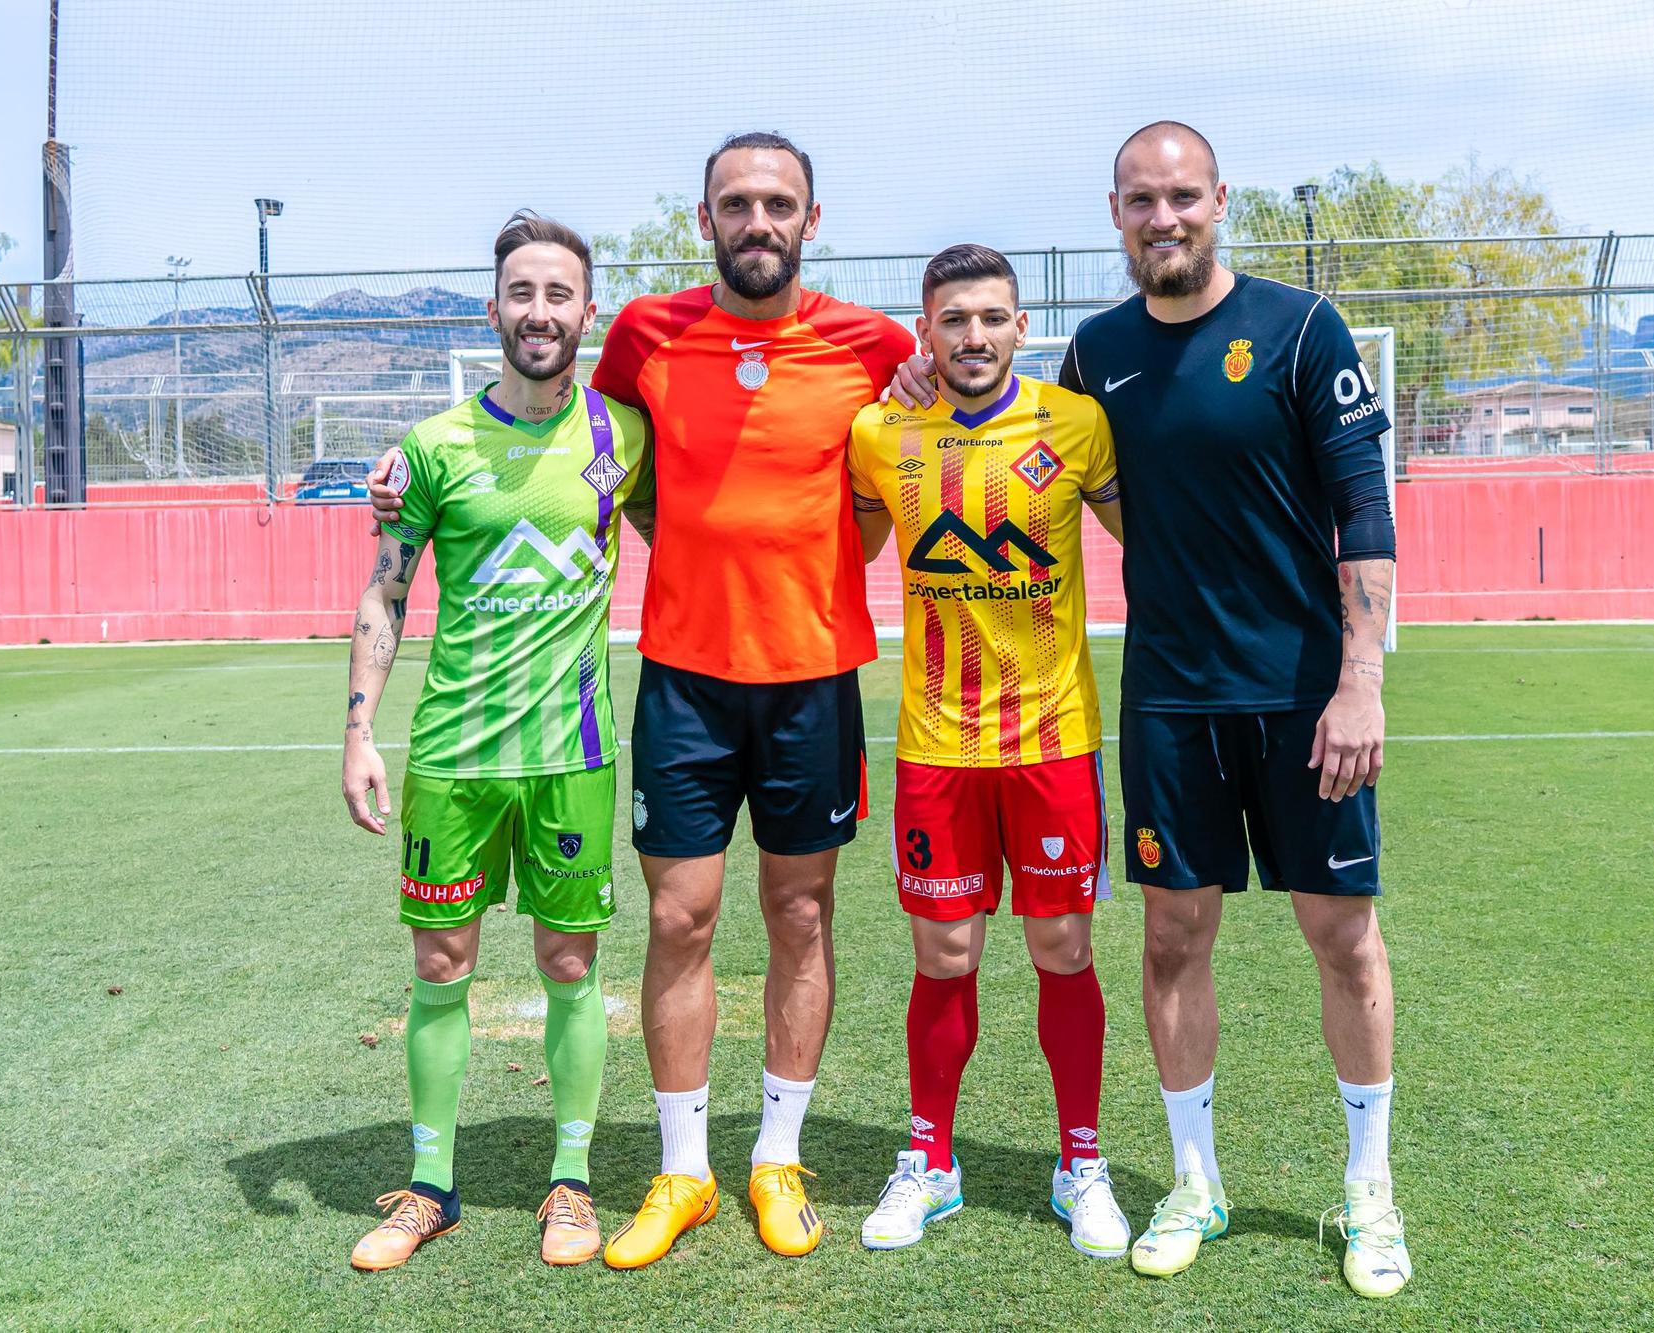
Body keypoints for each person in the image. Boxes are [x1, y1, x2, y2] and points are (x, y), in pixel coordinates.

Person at [370, 132, 913, 1269]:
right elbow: (577, 436)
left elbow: (930, 433)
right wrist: (411, 462)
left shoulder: (876, 345)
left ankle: (776, 1156)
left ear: (812, 221)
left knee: (801, 915)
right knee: (678, 919)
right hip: (684, 680)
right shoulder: (645, 336)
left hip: (814, 679)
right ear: (703, 218)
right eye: (734, 203)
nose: (755, 220)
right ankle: (682, 1171)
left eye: (777, 204)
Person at [889, 121, 1410, 1297]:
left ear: (1218, 199)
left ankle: (1368, 1192)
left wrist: (1359, 679)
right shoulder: (1097, 358)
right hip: (1166, 698)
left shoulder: (1300, 329)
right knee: (1172, 939)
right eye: (1139, 200)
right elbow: (1010, 427)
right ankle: (1192, 1181)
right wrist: (916, 375)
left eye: (1180, 197)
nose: (1161, 218)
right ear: (1113, 212)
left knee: (1342, 936)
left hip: (1299, 698)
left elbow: (1362, 512)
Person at [341, 211, 652, 1272]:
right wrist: (358, 734)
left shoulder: (624, 437)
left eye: (558, 294)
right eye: (521, 293)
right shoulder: (429, 448)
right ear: (493, 311)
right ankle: (430, 1186)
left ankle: (569, 1181)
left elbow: (702, 515)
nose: (538, 312)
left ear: (586, 313)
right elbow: (385, 591)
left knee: (571, 964)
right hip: (452, 755)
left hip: (569, 755)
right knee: (439, 966)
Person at [846, 245, 1131, 1259]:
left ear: (1021, 327)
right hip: (934, 744)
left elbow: (1155, 538)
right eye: (953, 319)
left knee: (1062, 949)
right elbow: (852, 546)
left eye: (992, 318)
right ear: (925, 331)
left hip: (1053, 741)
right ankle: (930, 1159)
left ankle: (1079, 1163)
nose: (973, 336)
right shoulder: (878, 433)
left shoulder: (1076, 425)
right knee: (945, 953)